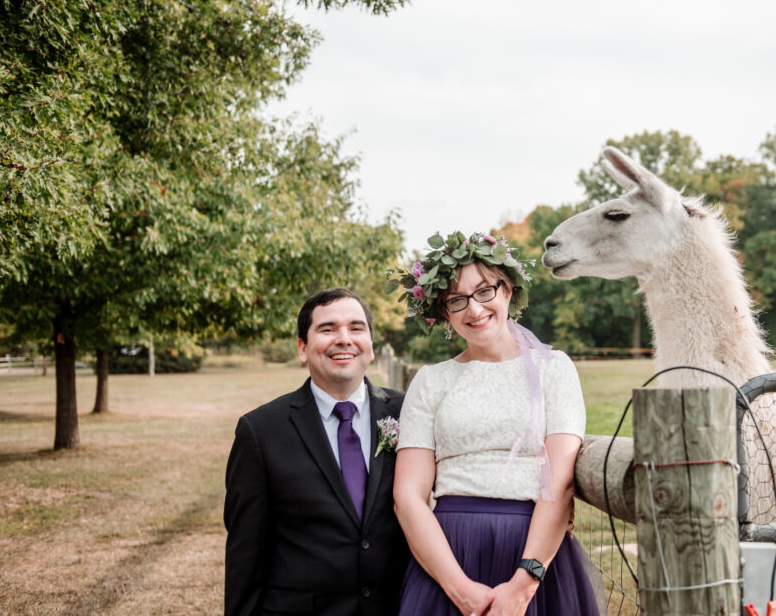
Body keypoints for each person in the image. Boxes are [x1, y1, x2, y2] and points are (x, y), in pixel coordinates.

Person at [389, 232, 602, 616]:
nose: (474, 310)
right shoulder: (431, 381)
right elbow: (408, 497)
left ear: (507, 291)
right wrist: (460, 589)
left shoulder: (554, 369)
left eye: (485, 291)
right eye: (457, 300)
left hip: (533, 549)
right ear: (444, 313)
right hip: (451, 553)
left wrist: (524, 584)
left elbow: (560, 481)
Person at [224, 288, 409, 616]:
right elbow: (245, 554)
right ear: (302, 349)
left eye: (356, 328)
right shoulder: (261, 431)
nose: (344, 339)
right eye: (327, 329)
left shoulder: (408, 412)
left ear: (370, 344)